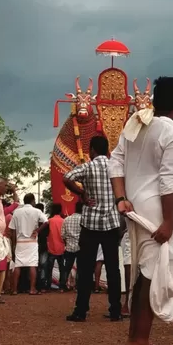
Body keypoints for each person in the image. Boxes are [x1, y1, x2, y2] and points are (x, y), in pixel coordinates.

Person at [110, 76, 173, 345]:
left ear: (154, 99)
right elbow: (168, 180)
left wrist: (121, 197)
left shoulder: (136, 124)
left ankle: (134, 341)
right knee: (153, 275)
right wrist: (168, 222)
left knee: (144, 275)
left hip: (134, 206)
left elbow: (115, 160)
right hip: (156, 210)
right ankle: (141, 342)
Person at [65, 135, 124, 322]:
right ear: (107, 150)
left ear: (92, 150)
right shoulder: (115, 166)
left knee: (85, 267)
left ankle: (81, 310)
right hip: (111, 222)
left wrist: (81, 193)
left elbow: (67, 178)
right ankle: (116, 310)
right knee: (113, 268)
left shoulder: (88, 167)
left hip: (90, 223)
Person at [7, 193, 45, 295]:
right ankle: (32, 289)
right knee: (32, 265)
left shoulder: (17, 212)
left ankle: (14, 289)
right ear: (33, 201)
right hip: (32, 242)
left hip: (20, 242)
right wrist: (37, 230)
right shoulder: (37, 211)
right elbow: (46, 222)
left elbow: (11, 229)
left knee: (18, 265)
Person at [42, 204, 65, 292]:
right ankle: (62, 286)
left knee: (49, 268)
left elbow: (45, 233)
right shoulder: (63, 221)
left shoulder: (50, 221)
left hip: (51, 247)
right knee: (62, 268)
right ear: (60, 211)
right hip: (61, 247)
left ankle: (48, 286)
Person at [59, 209, 82, 292]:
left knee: (67, 267)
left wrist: (67, 243)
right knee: (80, 268)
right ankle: (78, 287)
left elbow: (62, 235)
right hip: (80, 247)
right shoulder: (83, 219)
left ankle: (62, 286)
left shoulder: (66, 219)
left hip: (69, 247)